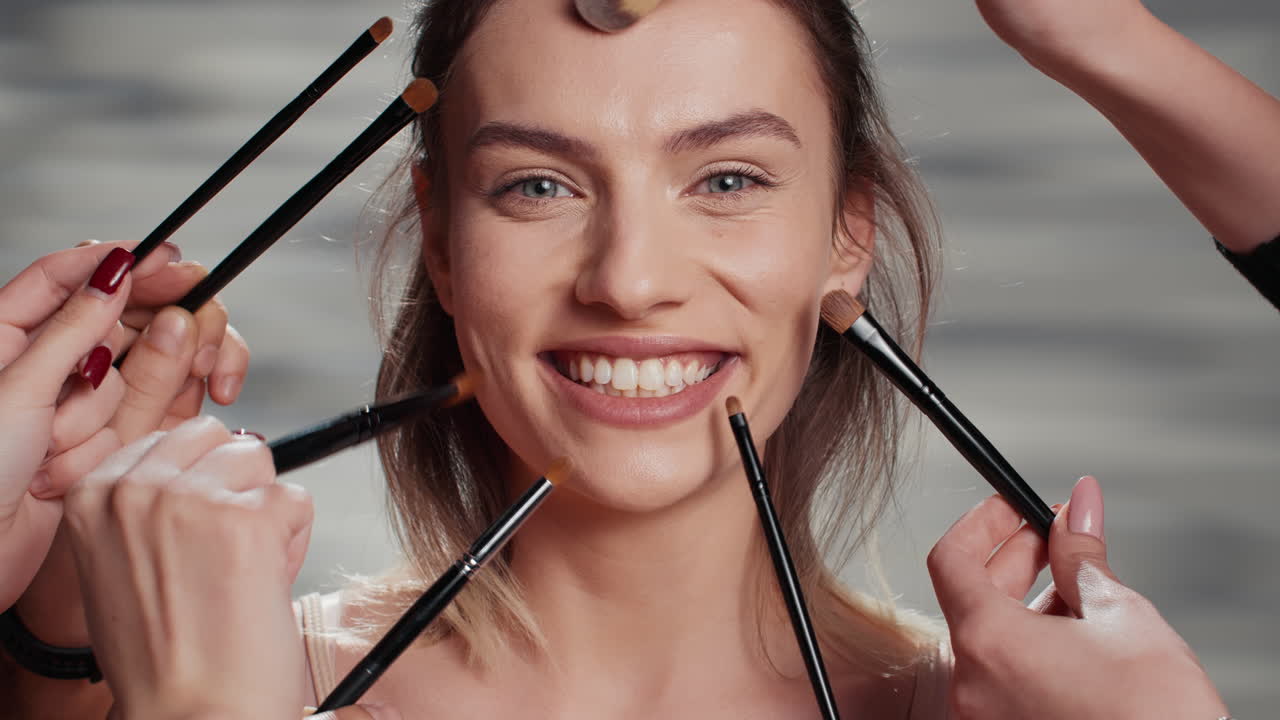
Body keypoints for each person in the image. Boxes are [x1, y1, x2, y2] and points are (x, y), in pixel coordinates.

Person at [5, 0, 1274, 717]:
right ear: (442, 247)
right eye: (538, 184)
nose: (627, 278)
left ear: (848, 239)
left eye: (725, 177)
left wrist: (1093, 29)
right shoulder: (225, 682)